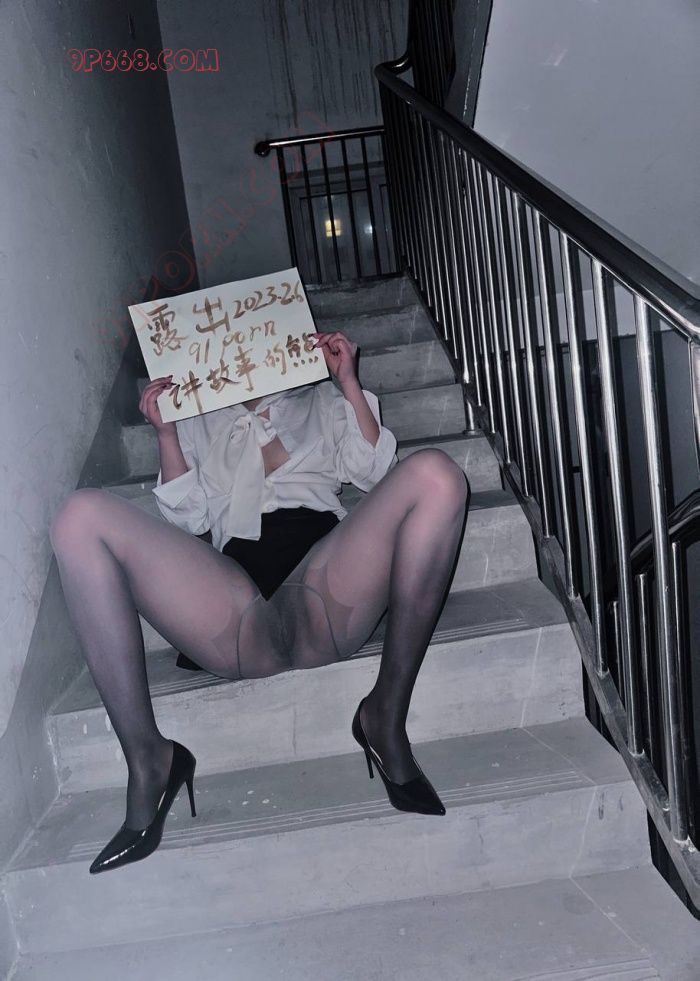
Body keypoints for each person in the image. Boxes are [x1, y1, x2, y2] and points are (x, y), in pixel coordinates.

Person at [50, 329, 469, 874]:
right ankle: (150, 759)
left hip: (323, 580)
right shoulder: (198, 415)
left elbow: (373, 473)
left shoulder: (320, 399)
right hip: (232, 595)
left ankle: (384, 715)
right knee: (77, 517)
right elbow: (188, 519)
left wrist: (347, 383)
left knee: (438, 474)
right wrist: (167, 434)